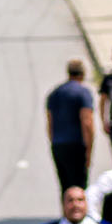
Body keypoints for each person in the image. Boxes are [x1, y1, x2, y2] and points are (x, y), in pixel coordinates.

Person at [44, 60, 96, 194]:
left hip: (58, 145)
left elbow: (49, 123)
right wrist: (89, 149)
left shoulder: (54, 93)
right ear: (83, 74)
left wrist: (54, 143)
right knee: (79, 187)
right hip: (77, 144)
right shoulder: (83, 93)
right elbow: (87, 122)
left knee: (65, 186)